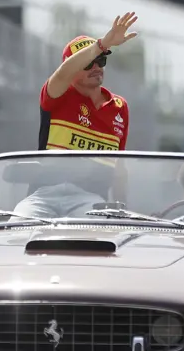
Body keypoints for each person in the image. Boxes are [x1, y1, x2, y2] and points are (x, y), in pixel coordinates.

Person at [15, 13, 138, 218]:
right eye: (88, 63)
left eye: (101, 60)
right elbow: (63, 73)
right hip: (43, 196)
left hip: (91, 200)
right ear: (72, 69)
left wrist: (120, 209)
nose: (96, 67)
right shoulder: (58, 93)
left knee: (98, 237)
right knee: (15, 231)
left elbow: (119, 168)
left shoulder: (119, 107)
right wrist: (103, 43)